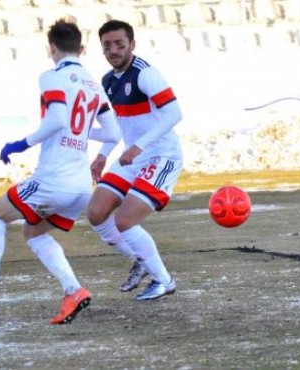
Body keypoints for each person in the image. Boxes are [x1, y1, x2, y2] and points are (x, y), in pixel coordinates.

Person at [0, 20, 121, 325]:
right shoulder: (94, 85)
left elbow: (57, 119)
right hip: (82, 185)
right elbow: (113, 133)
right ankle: (72, 291)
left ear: (52, 48)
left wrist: (21, 143)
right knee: (33, 232)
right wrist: (81, 132)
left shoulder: (52, 76)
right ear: (81, 49)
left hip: (53, 179)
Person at [87, 19, 183, 301]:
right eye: (107, 45)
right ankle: (141, 259)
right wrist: (103, 155)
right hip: (134, 157)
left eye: (119, 44)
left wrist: (139, 146)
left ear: (132, 44)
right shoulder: (109, 81)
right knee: (96, 212)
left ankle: (164, 280)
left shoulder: (146, 74)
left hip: (162, 155)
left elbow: (174, 114)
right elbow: (117, 127)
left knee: (125, 219)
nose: (113, 50)